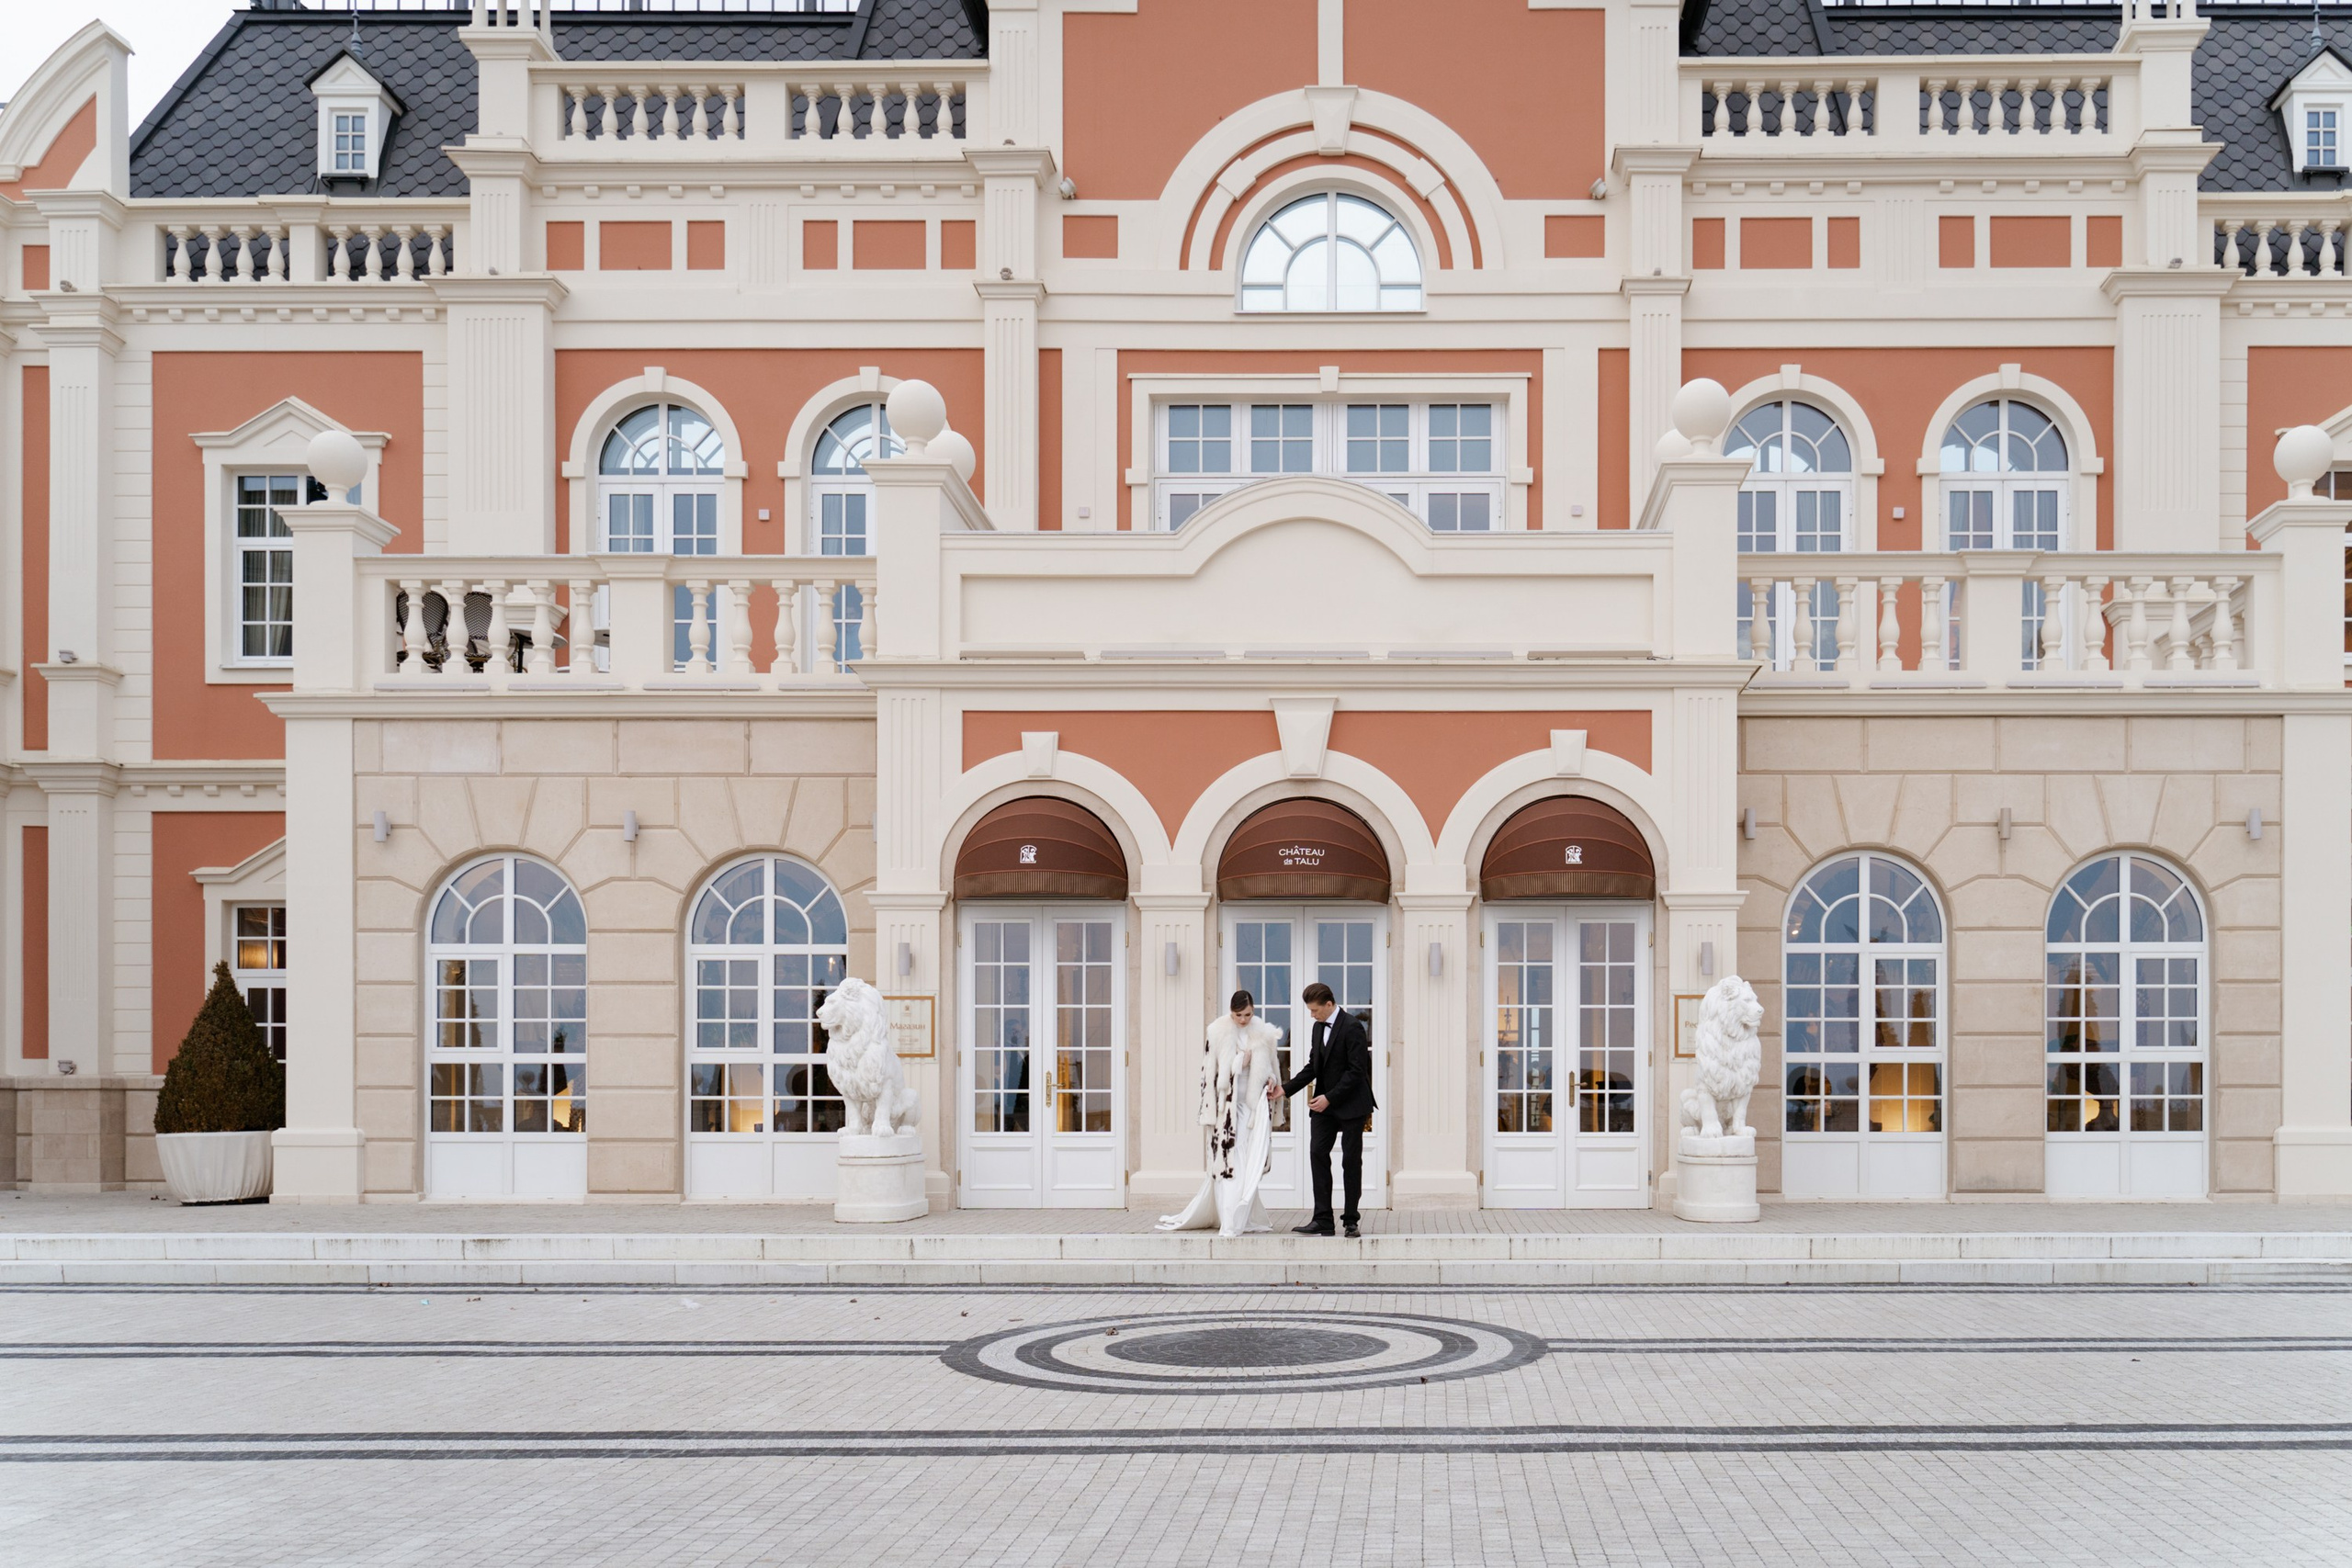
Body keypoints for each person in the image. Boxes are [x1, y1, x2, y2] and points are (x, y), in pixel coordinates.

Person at [1156, 990, 1283, 1237]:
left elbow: (1271, 1068)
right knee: (1229, 1161)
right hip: (1227, 1110)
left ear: (1253, 1010)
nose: (1243, 1019)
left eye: (1247, 1014)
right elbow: (1209, 1075)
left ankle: (1243, 1215)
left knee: (1249, 1161)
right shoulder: (1217, 1032)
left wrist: (1270, 1080)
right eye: (1238, 1015)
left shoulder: (1265, 1033)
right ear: (1231, 1012)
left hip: (1254, 1107)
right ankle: (1230, 1221)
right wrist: (1240, 1064)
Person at [1275, 981, 1377, 1237]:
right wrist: (1285, 1090)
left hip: (1352, 1104)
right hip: (1325, 1107)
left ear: (1329, 1004)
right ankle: (1323, 1220)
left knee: (1351, 1161)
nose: (1312, 1015)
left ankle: (1351, 1221)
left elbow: (1357, 1071)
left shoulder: (1354, 1027)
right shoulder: (1317, 1028)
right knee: (1317, 1154)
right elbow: (1313, 1067)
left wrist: (1329, 1098)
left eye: (1315, 1010)